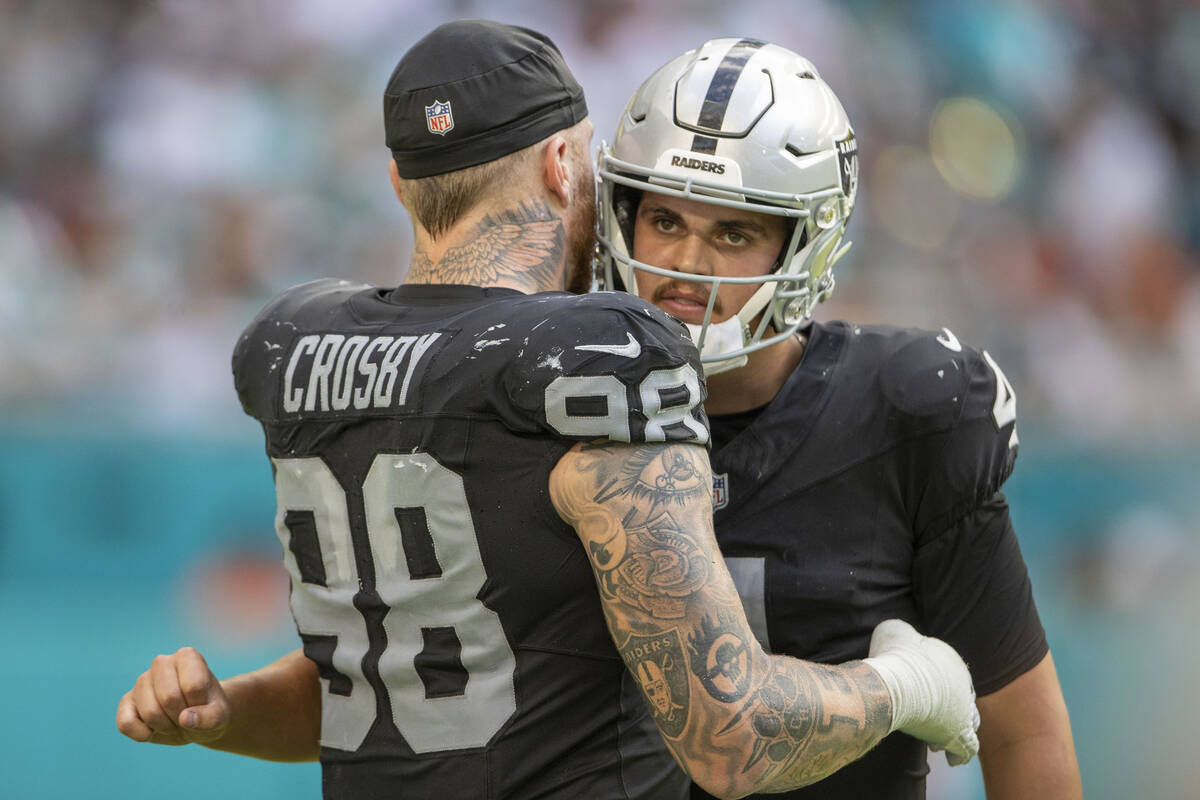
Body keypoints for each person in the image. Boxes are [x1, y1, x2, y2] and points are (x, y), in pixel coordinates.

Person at [116, 21, 983, 800]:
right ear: (564, 165)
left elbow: (378, 694)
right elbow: (731, 737)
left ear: (398, 182)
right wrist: (905, 687)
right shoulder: (599, 358)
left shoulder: (300, 345)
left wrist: (227, 711)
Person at [595, 38, 1082, 799]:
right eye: (663, 219)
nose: (686, 262)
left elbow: (1025, 734)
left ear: (808, 243)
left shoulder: (907, 414)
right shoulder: (558, 397)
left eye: (734, 232)